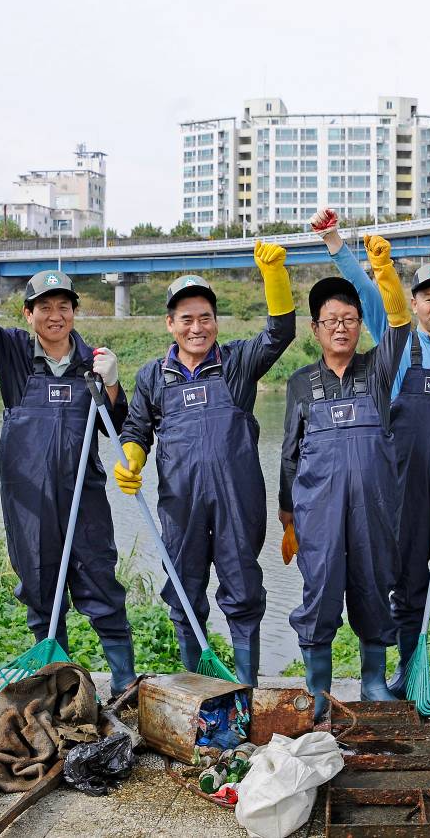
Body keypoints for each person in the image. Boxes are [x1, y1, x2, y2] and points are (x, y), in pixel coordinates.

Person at [308, 208, 430, 698]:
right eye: (427, 297)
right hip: (403, 487)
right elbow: (369, 297)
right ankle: (410, 670)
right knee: (407, 578)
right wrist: (336, 245)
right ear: (414, 302)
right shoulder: (399, 345)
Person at [0, 221, 136, 696]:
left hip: (83, 493)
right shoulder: (11, 351)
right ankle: (60, 682)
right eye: (45, 308)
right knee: (39, 587)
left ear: (74, 312)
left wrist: (112, 383)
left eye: (64, 307)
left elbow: (116, 425)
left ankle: (124, 679)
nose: (56, 316)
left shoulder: (93, 361)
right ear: (28, 314)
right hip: (28, 497)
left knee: (99, 581)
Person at [113, 243, 296, 686]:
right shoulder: (153, 376)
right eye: (187, 319)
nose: (198, 327)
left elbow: (279, 333)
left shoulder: (236, 363)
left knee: (243, 591)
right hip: (181, 507)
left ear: (216, 321)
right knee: (183, 592)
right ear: (171, 324)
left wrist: (274, 275)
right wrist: (133, 458)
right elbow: (136, 428)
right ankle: (194, 686)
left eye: (206, 317)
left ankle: (246, 686)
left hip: (239, 503)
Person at [280, 232, 412, 718]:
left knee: (375, 588)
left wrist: (384, 272)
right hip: (317, 513)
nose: (341, 328)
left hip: (375, 510)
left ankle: (374, 683)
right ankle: (319, 691)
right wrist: (287, 515)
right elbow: (289, 454)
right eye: (331, 321)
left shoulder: (378, 371)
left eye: (350, 320)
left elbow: (398, 327)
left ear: (359, 326)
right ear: (315, 329)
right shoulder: (300, 384)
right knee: (319, 592)